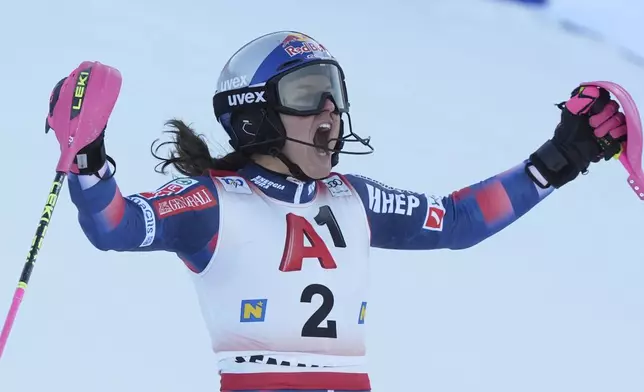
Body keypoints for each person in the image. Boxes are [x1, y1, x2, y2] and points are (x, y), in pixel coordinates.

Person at [46, 31, 627, 392]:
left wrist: (556, 162)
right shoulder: (217, 201)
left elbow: (459, 221)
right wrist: (89, 163)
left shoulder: (355, 198)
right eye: (305, 95)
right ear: (256, 117)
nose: (329, 111)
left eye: (334, 92)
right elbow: (115, 226)